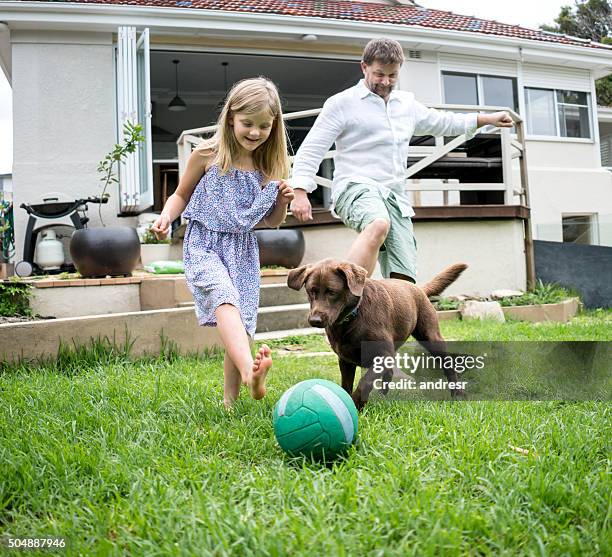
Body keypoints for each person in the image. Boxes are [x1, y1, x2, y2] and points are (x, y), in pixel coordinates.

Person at [290, 37, 513, 283]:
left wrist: (486, 119)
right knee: (378, 223)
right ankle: (344, 297)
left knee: (405, 278)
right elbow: (311, 148)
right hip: (355, 188)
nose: (385, 82)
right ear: (364, 67)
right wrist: (300, 190)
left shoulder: (406, 104)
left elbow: (443, 122)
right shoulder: (342, 103)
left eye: (392, 76)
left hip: (394, 197)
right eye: (379, 74)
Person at [151, 77, 294, 409]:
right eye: (248, 123)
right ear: (231, 117)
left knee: (240, 319)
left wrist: (283, 201)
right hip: (204, 244)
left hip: (243, 250)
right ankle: (250, 374)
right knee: (224, 297)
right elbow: (181, 194)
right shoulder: (207, 154)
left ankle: (231, 402)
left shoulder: (267, 168)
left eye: (264, 126)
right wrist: (166, 217)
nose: (255, 132)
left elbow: (270, 221)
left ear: (274, 126)